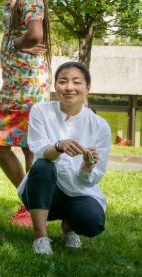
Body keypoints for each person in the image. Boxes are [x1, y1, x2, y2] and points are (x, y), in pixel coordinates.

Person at [0, 0, 52, 228]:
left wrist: (16, 43)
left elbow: (35, 33)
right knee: (22, 145)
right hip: (17, 82)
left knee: (4, 144)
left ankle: (30, 204)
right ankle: (32, 204)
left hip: (27, 85)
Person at [19, 61, 110, 255]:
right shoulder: (40, 111)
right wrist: (58, 147)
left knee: (92, 223)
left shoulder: (100, 126)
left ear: (88, 88)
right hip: (42, 190)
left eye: (77, 82)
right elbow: (39, 149)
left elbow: (93, 177)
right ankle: (40, 235)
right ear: (55, 86)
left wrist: (86, 167)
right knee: (44, 165)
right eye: (63, 81)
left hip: (78, 190)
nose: (69, 87)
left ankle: (69, 227)